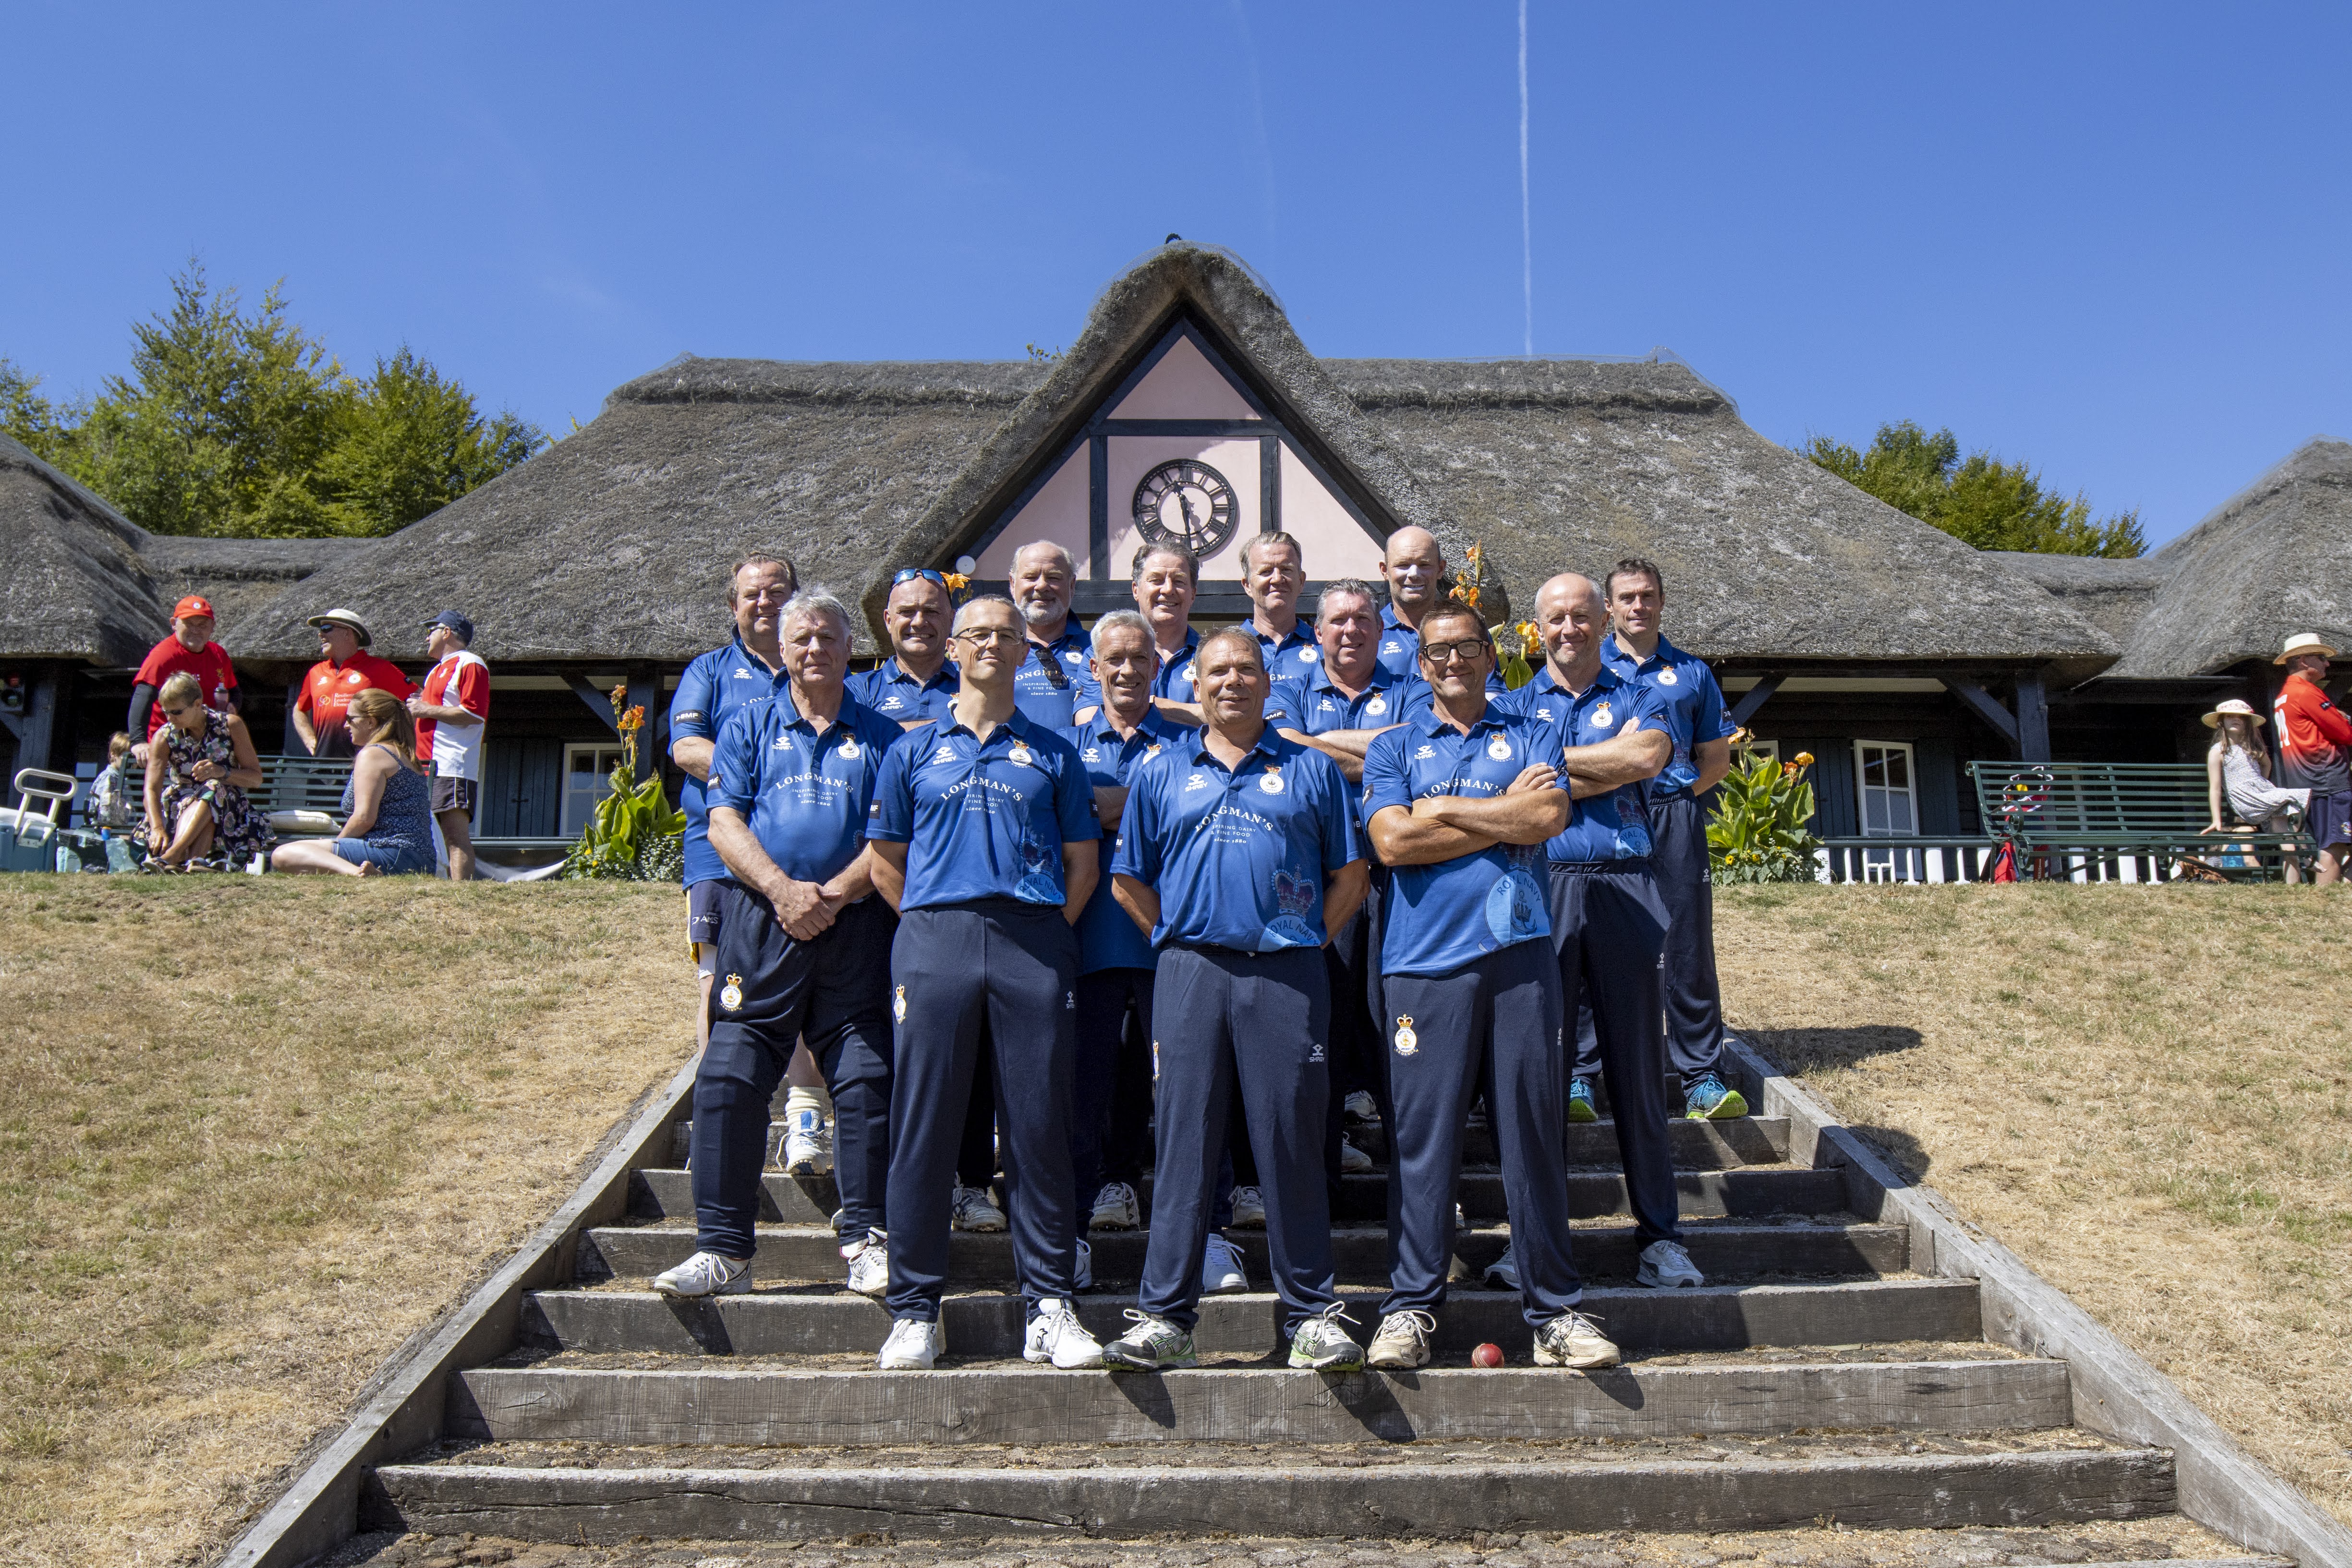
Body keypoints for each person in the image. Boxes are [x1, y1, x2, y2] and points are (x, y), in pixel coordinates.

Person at [1102, 627, 1370, 1373]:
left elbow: (1349, 876)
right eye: (1216, 671)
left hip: (1286, 975)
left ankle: (1310, 1316)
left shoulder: (1311, 771)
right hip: (1189, 973)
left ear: (1267, 681)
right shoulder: (1160, 772)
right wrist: (1178, 937)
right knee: (1185, 1140)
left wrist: (1309, 941)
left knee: (1289, 1139)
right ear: (1195, 686)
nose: (1231, 682)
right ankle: (1165, 1318)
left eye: (1245, 670)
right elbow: (1128, 879)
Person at [1357, 601, 1614, 1372]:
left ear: (1488, 652)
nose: (1452, 662)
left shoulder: (1533, 729)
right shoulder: (1393, 747)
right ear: (1420, 662)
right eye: (1437, 652)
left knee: (1532, 1132)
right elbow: (1393, 842)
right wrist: (1500, 815)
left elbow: (1546, 815)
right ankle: (1408, 1308)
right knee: (1421, 1140)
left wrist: (1448, 808)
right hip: (1422, 964)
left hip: (1519, 959)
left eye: (1466, 647)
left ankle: (1555, 1311)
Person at [865, 594, 1104, 1372]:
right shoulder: (908, 751)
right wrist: (933, 925)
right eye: (978, 634)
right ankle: (912, 1310)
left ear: (1019, 650)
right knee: (923, 1123)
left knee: (1037, 1125)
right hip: (933, 937)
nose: (992, 644)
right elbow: (883, 862)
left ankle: (1048, 1306)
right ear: (955, 648)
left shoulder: (1056, 752)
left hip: (1032, 938)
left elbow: (1083, 864)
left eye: (1006, 634)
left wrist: (1038, 932)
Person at [650, 591, 904, 1303]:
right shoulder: (747, 725)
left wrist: (834, 894)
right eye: (801, 638)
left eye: (827, 636)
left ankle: (867, 1242)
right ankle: (722, 1249)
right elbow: (724, 820)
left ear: (848, 646)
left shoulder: (884, 735)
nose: (814, 648)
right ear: (783, 650)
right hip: (761, 921)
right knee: (727, 1080)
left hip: (854, 925)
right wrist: (782, 888)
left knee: (866, 1081)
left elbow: (890, 839)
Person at [1489, 572, 1703, 1298]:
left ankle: (1661, 1239)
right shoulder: (1514, 703)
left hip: (1624, 888)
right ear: (1536, 628)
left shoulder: (1639, 691)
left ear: (1600, 617)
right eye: (1555, 619)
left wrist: (1540, 768)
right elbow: (1500, 785)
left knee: (1638, 1074)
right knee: (1533, 1081)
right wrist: (1590, 765)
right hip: (1540, 891)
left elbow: (1644, 757)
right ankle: (1533, 1247)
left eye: (1581, 616)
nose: (1569, 630)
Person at [1265, 577, 1434, 1192]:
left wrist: (1323, 748)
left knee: (1402, 1028)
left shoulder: (1416, 689)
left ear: (1380, 627)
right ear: (1316, 632)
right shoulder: (1283, 688)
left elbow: (1424, 756)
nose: (1351, 630)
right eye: (1337, 620)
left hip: (1404, 882)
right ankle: (1321, 1184)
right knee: (1325, 1029)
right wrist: (1385, 753)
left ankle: (1418, 1185)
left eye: (1362, 619)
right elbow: (1284, 749)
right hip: (1322, 886)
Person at [1596, 559, 1744, 1121]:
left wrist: (1673, 798)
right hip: (1604, 817)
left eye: (1647, 595)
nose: (1638, 606)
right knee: (1592, 936)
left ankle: (1701, 1076)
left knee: (1685, 941)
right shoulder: (1587, 669)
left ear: (1661, 601)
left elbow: (1715, 758)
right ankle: (1581, 1075)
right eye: (1627, 597)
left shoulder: (1691, 672)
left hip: (1671, 815)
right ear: (1608, 607)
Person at [1058, 611, 1183, 1240]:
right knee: (1086, 1086)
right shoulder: (1066, 748)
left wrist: (1118, 807)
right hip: (1090, 940)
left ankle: (1196, 1229)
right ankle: (1077, 1224)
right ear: (1094, 667)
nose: (1129, 670)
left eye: (1141, 659)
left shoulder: (1187, 745)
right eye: (1117, 659)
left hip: (1170, 944)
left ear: (1156, 668)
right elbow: (1055, 824)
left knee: (1178, 1088)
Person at [667, 555, 797, 1053]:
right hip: (716, 849)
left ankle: (802, 1099)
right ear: (733, 604)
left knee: (800, 968)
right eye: (752, 594)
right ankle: (714, 1096)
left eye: (776, 591)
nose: (764, 602)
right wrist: (768, 776)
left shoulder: (816, 664)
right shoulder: (709, 669)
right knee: (718, 978)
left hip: (801, 851)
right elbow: (686, 748)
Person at [269, 689, 435, 876]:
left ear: (371, 722)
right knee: (308, 851)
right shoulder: (405, 755)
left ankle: (357, 874)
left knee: (283, 854)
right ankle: (362, 871)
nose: (346, 725)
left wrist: (337, 844)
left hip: (390, 851)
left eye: (350, 718)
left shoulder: (373, 754)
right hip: (420, 859)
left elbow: (364, 819)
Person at [141, 672, 272, 871]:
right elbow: (151, 788)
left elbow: (256, 779)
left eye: (176, 712)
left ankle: (173, 856)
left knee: (213, 788)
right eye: (166, 712)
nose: (170, 718)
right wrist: (157, 827)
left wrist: (222, 772)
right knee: (209, 803)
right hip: (181, 803)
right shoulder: (165, 735)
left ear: (197, 704)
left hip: (227, 802)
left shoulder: (229, 725)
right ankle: (195, 863)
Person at [408, 611, 490, 881]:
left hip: (452, 762)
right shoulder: (437, 670)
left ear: (447, 632)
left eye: (432, 629)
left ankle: (461, 894)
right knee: (433, 831)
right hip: (427, 763)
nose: (426, 635)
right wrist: (422, 705)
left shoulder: (471, 663)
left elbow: (474, 714)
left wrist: (425, 708)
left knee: (455, 835)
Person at [2271, 634, 2352, 885]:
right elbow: (2345, 734)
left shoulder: (2285, 696)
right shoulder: (2307, 692)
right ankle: (2321, 903)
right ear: (2305, 661)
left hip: (2309, 781)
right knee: (2335, 845)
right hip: (2328, 781)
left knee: (2336, 842)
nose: (2327, 664)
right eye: (2322, 658)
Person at [2203, 698, 2306, 884]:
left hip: (2262, 794)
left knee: (2287, 838)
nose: (2236, 720)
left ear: (2247, 723)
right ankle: (2308, 855)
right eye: (2230, 716)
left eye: (2241, 718)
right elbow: (2216, 788)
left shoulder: (2253, 748)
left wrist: (2260, 784)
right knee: (2295, 796)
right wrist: (2216, 819)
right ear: (2222, 722)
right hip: (2246, 800)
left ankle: (2295, 881)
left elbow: (2266, 764)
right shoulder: (2218, 751)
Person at [292, 609, 414, 759]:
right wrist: (309, 740)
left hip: (365, 765)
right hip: (320, 767)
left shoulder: (380, 668)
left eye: (326, 629)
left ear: (347, 633)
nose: (320, 634)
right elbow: (299, 710)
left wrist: (396, 741)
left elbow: (417, 700)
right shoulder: (315, 672)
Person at [847, 569, 960, 729]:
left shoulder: (976, 686)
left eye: (931, 611)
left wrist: (884, 730)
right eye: (907, 612)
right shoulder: (858, 689)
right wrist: (957, 725)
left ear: (951, 620)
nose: (918, 622)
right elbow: (856, 745)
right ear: (889, 621)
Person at [129, 596, 239, 759]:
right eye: (189, 624)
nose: (196, 630)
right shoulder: (164, 656)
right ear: (174, 624)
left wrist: (233, 705)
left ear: (212, 627)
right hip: (170, 745)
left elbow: (235, 691)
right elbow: (142, 698)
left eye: (202, 625)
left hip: (210, 744)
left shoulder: (219, 655)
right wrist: (138, 742)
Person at [1007, 542, 1099, 728]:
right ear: (1013, 584)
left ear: (1072, 585)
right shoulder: (993, 648)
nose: (1041, 586)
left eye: (1054, 577)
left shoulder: (1098, 648)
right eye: (1031, 577)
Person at [1242, 532, 1321, 682]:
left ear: (1301, 581)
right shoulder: (1227, 647)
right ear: (1248, 586)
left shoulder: (1324, 646)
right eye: (1266, 571)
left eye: (1286, 569)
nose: (1277, 579)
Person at [1373, 527, 1449, 680]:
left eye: (1424, 565)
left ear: (1440, 569)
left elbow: (1491, 694)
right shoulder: (1368, 634)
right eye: (1403, 565)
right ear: (1385, 570)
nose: (1414, 574)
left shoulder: (1467, 630)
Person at [89, 731, 141, 830]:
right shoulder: (109, 778)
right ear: (113, 754)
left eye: (134, 759)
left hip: (121, 829)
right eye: (126, 757)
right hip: (110, 831)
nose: (133, 764)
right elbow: (105, 809)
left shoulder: (123, 779)